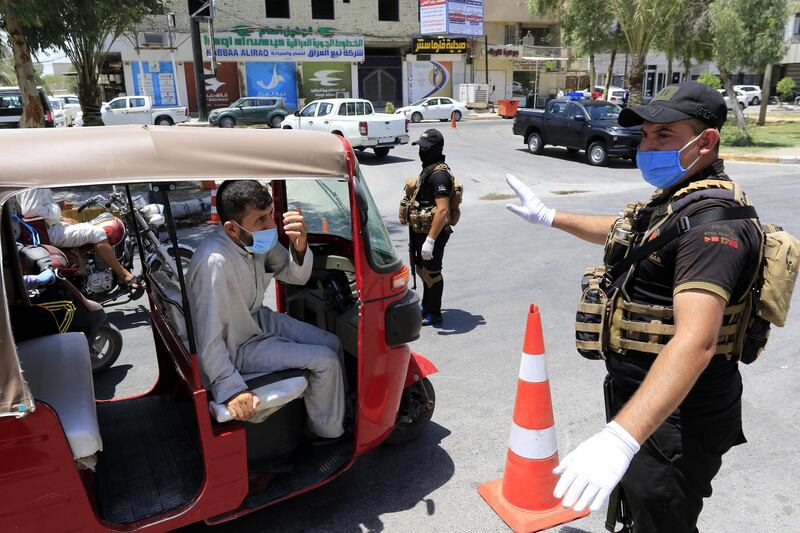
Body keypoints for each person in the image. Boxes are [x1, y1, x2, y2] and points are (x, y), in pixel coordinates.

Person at [506, 82, 762, 532]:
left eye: (664, 136)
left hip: (680, 417)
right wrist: (550, 216)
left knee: (662, 519)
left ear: (705, 142)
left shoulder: (713, 228)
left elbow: (696, 342)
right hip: (648, 404)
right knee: (639, 511)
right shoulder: (679, 199)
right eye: (645, 135)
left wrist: (620, 439)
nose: (647, 146)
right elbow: (630, 233)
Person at [186, 180, 345, 441]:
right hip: (239, 346)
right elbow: (209, 338)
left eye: (271, 214)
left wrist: (300, 244)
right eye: (261, 219)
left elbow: (293, 275)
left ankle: (330, 410)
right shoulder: (214, 263)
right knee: (325, 361)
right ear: (231, 228)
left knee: (332, 343)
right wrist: (231, 389)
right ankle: (325, 434)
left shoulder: (255, 240)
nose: (271, 225)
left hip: (258, 320)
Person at [18, 188, 141, 289]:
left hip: (46, 228)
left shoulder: (32, 179)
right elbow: (31, 211)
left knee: (86, 226)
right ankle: (123, 275)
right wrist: (57, 209)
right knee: (97, 232)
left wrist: (57, 205)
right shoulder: (33, 184)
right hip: (48, 231)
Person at [405, 129, 454, 327]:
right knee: (423, 270)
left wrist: (430, 241)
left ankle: (434, 313)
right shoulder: (429, 169)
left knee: (433, 274)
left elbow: (442, 210)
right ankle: (426, 305)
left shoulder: (439, 175)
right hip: (421, 232)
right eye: (420, 147)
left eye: (425, 147)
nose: (421, 150)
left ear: (436, 149)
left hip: (432, 234)